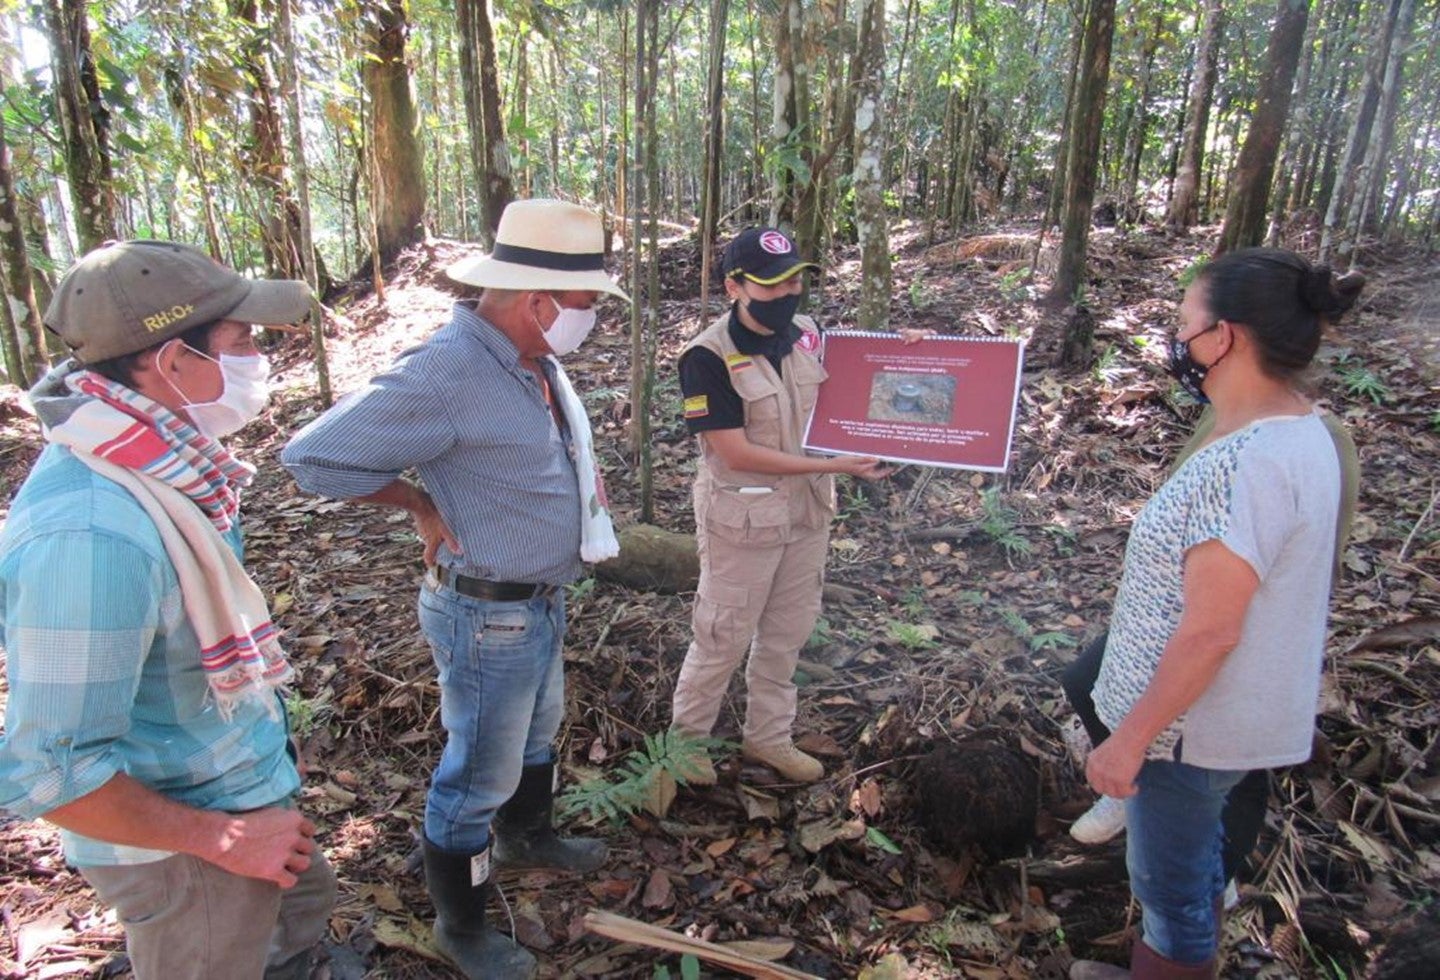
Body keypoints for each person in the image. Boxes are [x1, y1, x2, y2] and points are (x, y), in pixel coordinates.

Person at [281, 199, 626, 980]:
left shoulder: (529, 358)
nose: (591, 317)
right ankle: (461, 926)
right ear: (539, 302)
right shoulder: (448, 372)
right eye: (586, 303)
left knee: (535, 735)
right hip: (485, 614)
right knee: (477, 774)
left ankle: (527, 838)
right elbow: (314, 459)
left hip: (535, 599)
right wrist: (417, 502)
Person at [0, 240, 336, 980]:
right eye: (242, 343)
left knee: (294, 927)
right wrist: (222, 840)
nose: (258, 360)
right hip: (186, 854)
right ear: (173, 361)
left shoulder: (163, 464)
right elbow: (50, 773)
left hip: (238, 793)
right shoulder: (89, 536)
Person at [1071, 248, 1365, 979]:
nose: (1177, 339)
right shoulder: (1306, 432)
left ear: (1225, 337)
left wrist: (1129, 740)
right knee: (1194, 868)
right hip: (1226, 719)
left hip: (1183, 730)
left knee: (1168, 891)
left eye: (1184, 322)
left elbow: (1210, 629)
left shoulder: (1244, 465)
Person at [1063, 407, 1359, 861]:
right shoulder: (1222, 412)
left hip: (1242, 623)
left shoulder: (1308, 439)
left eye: (1190, 329)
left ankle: (1221, 877)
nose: (1182, 335)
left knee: (1233, 758)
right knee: (1086, 680)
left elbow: (1316, 557)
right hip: (1168, 614)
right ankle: (1133, 788)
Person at [669, 227, 891, 785]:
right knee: (721, 635)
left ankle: (768, 738)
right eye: (770, 285)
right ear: (733, 286)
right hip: (743, 519)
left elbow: (862, 382)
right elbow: (734, 451)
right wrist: (833, 465)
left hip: (807, 514)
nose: (787, 292)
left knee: (787, 634)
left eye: (794, 278)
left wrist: (907, 351)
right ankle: (685, 745)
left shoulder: (809, 336)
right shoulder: (707, 357)